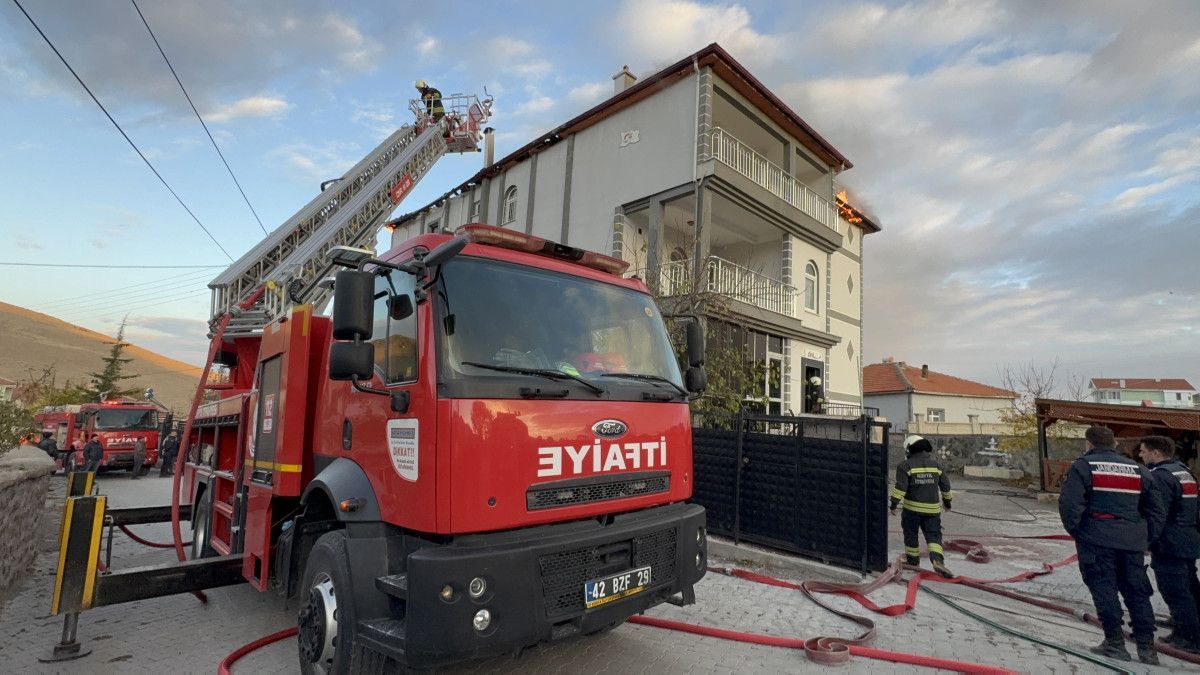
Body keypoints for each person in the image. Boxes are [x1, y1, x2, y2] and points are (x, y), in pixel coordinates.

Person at [1059, 425, 1165, 664]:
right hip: (1132, 543)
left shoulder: (1084, 466)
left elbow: (1069, 505)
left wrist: (1080, 532)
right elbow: (1156, 510)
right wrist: (1145, 537)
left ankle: (1115, 643)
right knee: (1137, 593)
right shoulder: (1138, 470)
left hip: (1097, 540)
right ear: (1114, 444)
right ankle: (1147, 649)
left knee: (1104, 589)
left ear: (1089, 444)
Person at [1139, 435, 1200, 653]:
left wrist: (1147, 539)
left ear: (1156, 453)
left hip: (1169, 543)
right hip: (1188, 538)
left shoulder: (1160, 477)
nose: (1140, 455)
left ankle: (1190, 637)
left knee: (1175, 590)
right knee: (1190, 586)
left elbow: (1158, 512)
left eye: (1143, 451)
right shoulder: (1183, 471)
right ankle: (1184, 626)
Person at [890, 435, 954, 578]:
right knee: (934, 536)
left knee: (911, 535)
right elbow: (946, 487)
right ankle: (937, 561)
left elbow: (900, 488)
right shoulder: (937, 466)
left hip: (911, 511)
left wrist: (893, 504)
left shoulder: (905, 466)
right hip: (932, 511)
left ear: (909, 449)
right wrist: (947, 503)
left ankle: (913, 562)